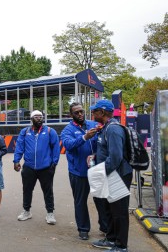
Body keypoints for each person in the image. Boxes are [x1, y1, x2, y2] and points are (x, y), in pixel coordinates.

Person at [61, 102, 109, 240]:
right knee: (80, 201)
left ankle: (105, 227)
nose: (80, 114)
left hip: (97, 169)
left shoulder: (93, 124)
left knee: (101, 199)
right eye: (76, 112)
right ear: (71, 115)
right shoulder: (67, 130)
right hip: (78, 172)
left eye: (81, 111)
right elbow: (68, 146)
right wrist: (84, 137)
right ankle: (83, 229)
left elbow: (102, 143)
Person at [90, 100, 133, 252]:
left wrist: (100, 172)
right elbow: (108, 151)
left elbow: (115, 158)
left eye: (94, 111)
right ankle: (112, 239)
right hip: (112, 174)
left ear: (102, 112)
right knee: (111, 210)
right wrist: (95, 156)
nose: (92, 114)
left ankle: (121, 246)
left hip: (118, 175)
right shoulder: (106, 128)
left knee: (119, 212)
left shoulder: (113, 130)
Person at [13, 110, 60, 224]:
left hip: (45, 167)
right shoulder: (25, 132)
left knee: (48, 191)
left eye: (41, 117)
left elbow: (56, 148)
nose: (39, 118)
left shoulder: (49, 131)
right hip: (29, 167)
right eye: (36, 117)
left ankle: (50, 213)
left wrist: (54, 163)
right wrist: (16, 160)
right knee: (27, 190)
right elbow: (19, 146)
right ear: (31, 119)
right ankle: (26, 211)